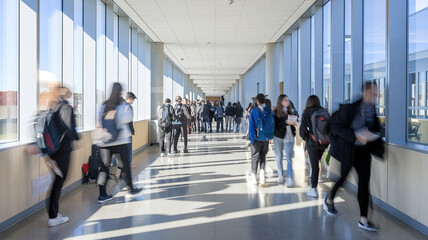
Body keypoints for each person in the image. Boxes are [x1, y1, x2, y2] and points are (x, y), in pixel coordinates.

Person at [324, 82, 384, 232]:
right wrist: (355, 136)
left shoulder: (372, 110)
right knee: (343, 178)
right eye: (371, 93)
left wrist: (374, 134)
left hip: (364, 152)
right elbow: (336, 127)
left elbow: (375, 128)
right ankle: (329, 199)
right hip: (349, 151)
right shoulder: (350, 109)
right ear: (364, 93)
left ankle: (363, 219)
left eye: (376, 93)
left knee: (364, 183)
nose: (374, 96)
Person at [96, 83, 142, 204]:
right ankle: (131, 189)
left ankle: (102, 194)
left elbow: (98, 122)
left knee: (104, 167)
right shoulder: (122, 105)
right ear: (120, 92)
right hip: (119, 140)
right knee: (125, 165)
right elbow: (127, 119)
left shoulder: (103, 105)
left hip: (104, 141)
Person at [45, 86, 79, 227]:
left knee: (57, 181)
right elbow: (69, 129)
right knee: (59, 181)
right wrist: (77, 137)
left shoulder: (52, 107)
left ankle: (53, 214)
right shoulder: (65, 107)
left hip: (52, 151)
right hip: (63, 151)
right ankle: (53, 217)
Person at [299, 95, 330, 198]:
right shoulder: (324, 111)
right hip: (324, 143)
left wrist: (306, 139)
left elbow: (302, 131)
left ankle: (313, 189)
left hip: (312, 143)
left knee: (314, 165)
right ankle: (314, 184)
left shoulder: (306, 113)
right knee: (317, 162)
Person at [248, 94, 274, 187]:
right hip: (266, 138)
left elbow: (251, 126)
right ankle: (262, 178)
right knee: (263, 157)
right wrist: (270, 137)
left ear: (257, 101)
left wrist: (252, 139)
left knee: (255, 157)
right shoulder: (269, 111)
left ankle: (254, 178)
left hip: (257, 138)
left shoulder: (254, 111)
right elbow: (272, 125)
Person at [273, 94, 298, 186]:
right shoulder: (275, 112)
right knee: (279, 156)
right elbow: (275, 126)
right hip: (279, 136)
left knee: (289, 158)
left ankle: (290, 177)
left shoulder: (292, 110)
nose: (288, 102)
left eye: (288, 100)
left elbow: (296, 118)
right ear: (281, 102)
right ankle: (280, 176)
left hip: (289, 136)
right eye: (286, 100)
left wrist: (294, 122)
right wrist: (286, 123)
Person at [124, 92, 137, 168]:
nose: (133, 101)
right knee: (128, 149)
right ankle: (128, 165)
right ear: (129, 99)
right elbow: (127, 120)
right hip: (127, 132)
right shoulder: (128, 107)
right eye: (133, 100)